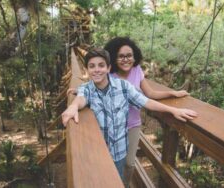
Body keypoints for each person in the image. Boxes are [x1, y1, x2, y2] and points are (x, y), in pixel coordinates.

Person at [62, 48, 198, 184]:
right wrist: (73, 106)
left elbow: (146, 101)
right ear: (87, 70)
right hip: (98, 151)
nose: (97, 70)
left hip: (119, 151)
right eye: (92, 66)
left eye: (101, 65)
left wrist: (173, 110)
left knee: (119, 181)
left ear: (109, 68)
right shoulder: (86, 89)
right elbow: (81, 98)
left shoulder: (124, 87)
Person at [104, 37, 191, 186]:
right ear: (113, 58)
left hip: (133, 125)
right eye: (121, 56)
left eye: (129, 55)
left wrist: (173, 93)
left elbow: (150, 94)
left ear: (134, 56)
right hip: (112, 127)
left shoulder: (137, 70)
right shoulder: (109, 76)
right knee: (110, 162)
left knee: (129, 164)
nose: (126, 59)